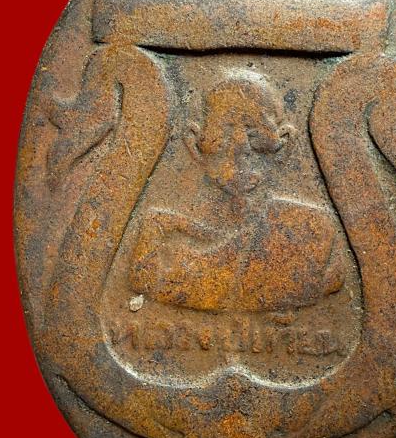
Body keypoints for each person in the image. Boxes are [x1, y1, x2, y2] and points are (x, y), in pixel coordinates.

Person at [130, 72, 344, 312]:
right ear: (194, 144)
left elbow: (333, 278)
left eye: (254, 135)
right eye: (223, 134)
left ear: (284, 144)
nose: (239, 149)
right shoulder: (159, 231)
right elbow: (145, 281)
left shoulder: (311, 229)